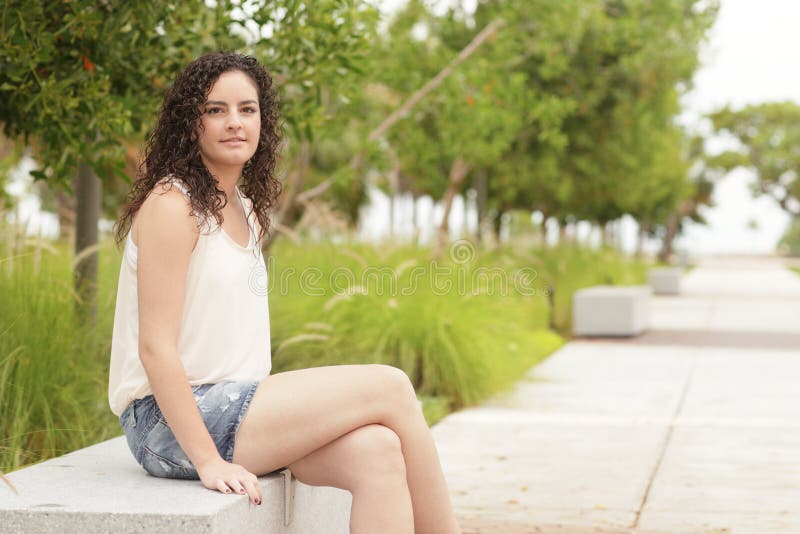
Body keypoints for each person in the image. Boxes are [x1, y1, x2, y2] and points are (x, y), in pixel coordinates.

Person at [108, 52, 461, 534]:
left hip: (240, 406)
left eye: (247, 109)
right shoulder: (174, 206)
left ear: (263, 121)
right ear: (190, 124)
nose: (234, 122)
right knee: (392, 385)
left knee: (379, 451)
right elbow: (155, 347)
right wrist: (211, 463)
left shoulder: (245, 208)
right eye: (215, 110)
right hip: (166, 423)